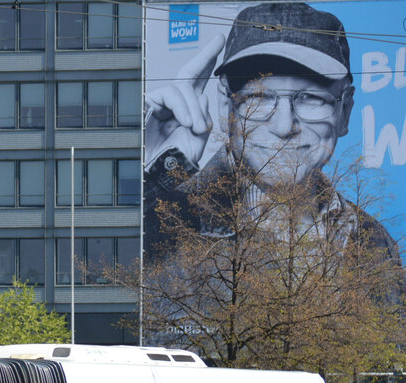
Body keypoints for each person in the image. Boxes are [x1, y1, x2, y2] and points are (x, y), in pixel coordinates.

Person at [143, 2, 401, 267]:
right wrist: (146, 173)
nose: (283, 126)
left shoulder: (376, 243)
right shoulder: (157, 222)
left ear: (345, 111)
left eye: (311, 98)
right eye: (258, 97)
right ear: (224, 105)